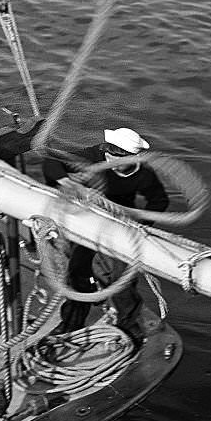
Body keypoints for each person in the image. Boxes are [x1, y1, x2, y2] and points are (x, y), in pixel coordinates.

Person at [42, 127, 168, 347]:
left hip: (120, 226)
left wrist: (139, 225)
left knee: (121, 279)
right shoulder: (91, 156)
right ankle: (72, 323)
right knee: (77, 271)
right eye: (110, 157)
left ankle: (128, 325)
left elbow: (159, 201)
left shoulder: (143, 175)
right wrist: (67, 182)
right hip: (89, 222)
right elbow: (51, 162)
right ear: (106, 153)